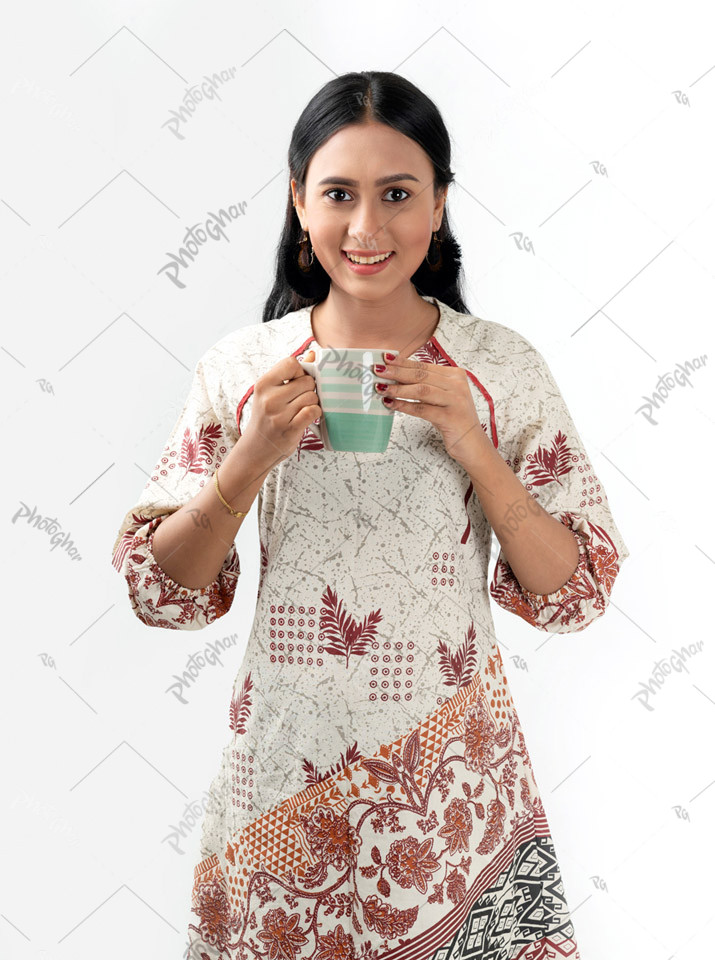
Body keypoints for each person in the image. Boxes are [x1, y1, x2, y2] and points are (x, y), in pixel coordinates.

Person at [111, 71, 629, 959]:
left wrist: (470, 440)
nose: (366, 227)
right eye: (338, 194)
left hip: (455, 781)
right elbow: (162, 594)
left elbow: (573, 593)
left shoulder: (499, 368)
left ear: (439, 206)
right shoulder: (243, 368)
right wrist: (250, 456)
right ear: (297, 203)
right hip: (281, 774)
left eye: (397, 194)